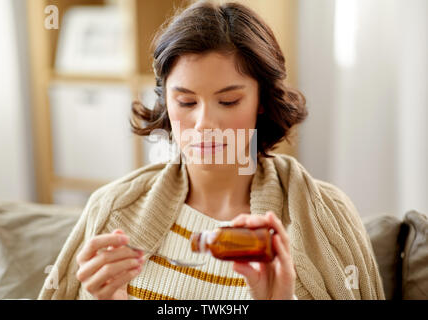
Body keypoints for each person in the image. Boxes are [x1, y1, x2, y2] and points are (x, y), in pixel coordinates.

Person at [38, 0, 385, 300]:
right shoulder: (111, 210)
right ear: (165, 102)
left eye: (229, 100)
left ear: (261, 100)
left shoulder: (326, 216)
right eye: (186, 101)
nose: (204, 123)